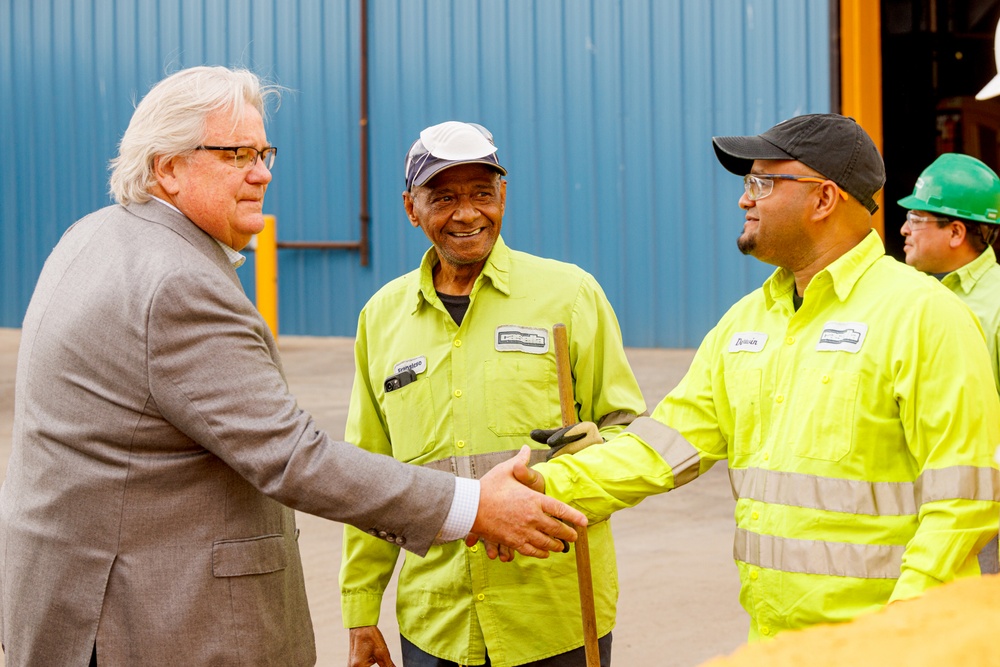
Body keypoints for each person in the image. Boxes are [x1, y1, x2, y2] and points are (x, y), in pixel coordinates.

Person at [0, 68, 586, 667]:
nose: (262, 173)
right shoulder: (177, 282)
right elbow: (292, 456)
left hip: (73, 604)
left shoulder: (92, 237)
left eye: (262, 152)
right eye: (235, 155)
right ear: (167, 167)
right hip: (146, 621)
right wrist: (472, 506)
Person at [525, 114, 1000, 641]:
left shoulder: (924, 317)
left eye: (763, 182)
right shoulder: (745, 324)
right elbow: (663, 448)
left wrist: (899, 630)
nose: (744, 199)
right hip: (775, 643)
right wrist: (539, 488)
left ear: (823, 199)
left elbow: (964, 500)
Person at [338, 121, 646, 667]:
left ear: (502, 197)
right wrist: (362, 607)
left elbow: (628, 437)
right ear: (411, 207)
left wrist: (582, 461)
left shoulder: (570, 296)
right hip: (436, 621)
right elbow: (370, 474)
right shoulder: (381, 319)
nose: (467, 213)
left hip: (555, 615)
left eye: (483, 193)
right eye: (445, 197)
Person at [897, 152, 1000, 575]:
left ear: (956, 231)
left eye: (917, 219)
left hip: (980, 515)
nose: (903, 229)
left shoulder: (994, 305)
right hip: (924, 504)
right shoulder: (914, 296)